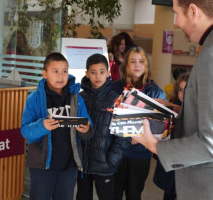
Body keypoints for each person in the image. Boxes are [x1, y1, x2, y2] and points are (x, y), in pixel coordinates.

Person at [133, 0, 213, 200]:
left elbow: (210, 142)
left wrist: (154, 146)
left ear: (194, 11)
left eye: (177, 13)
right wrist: (176, 109)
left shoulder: (210, 55)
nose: (176, 22)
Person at [20, 52, 93, 200]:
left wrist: (86, 130)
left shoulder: (76, 98)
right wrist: (43, 126)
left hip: (69, 164)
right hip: (42, 165)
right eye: (55, 71)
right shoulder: (34, 98)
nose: (61, 76)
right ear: (45, 74)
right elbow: (25, 131)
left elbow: (89, 128)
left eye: (65, 71)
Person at [111, 46, 166, 200]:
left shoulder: (155, 92)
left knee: (134, 195)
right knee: (113, 194)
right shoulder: (114, 88)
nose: (137, 65)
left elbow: (160, 124)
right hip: (116, 152)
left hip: (140, 154)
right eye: (132, 61)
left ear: (146, 65)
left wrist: (139, 135)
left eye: (141, 61)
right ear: (125, 65)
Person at [76, 53, 130, 200]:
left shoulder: (116, 99)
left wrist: (111, 160)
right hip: (83, 164)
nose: (97, 76)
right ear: (87, 74)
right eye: (93, 72)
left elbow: (124, 136)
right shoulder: (80, 98)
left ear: (108, 73)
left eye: (101, 72)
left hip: (105, 166)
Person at [153, 72, 190, 200]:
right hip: (171, 168)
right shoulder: (172, 111)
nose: (183, 93)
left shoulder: (197, 114)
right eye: (180, 89)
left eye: (187, 90)